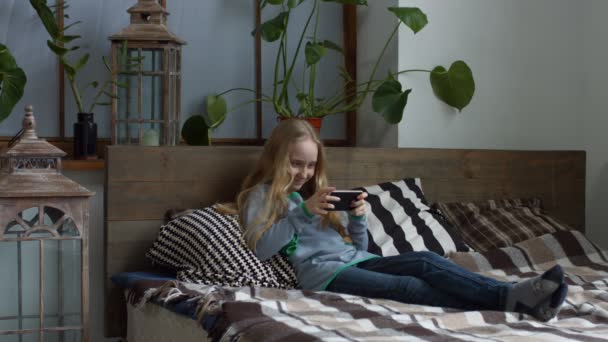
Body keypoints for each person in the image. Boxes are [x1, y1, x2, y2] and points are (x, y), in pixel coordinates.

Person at [226, 119, 568, 321]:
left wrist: (358, 220)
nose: (304, 172)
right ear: (276, 157)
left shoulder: (318, 196)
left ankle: (512, 296)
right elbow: (262, 247)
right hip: (324, 277)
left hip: (358, 261)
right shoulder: (259, 196)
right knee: (409, 289)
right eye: (295, 163)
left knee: (425, 260)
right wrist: (302, 213)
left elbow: (358, 249)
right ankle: (512, 299)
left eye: (311, 165)